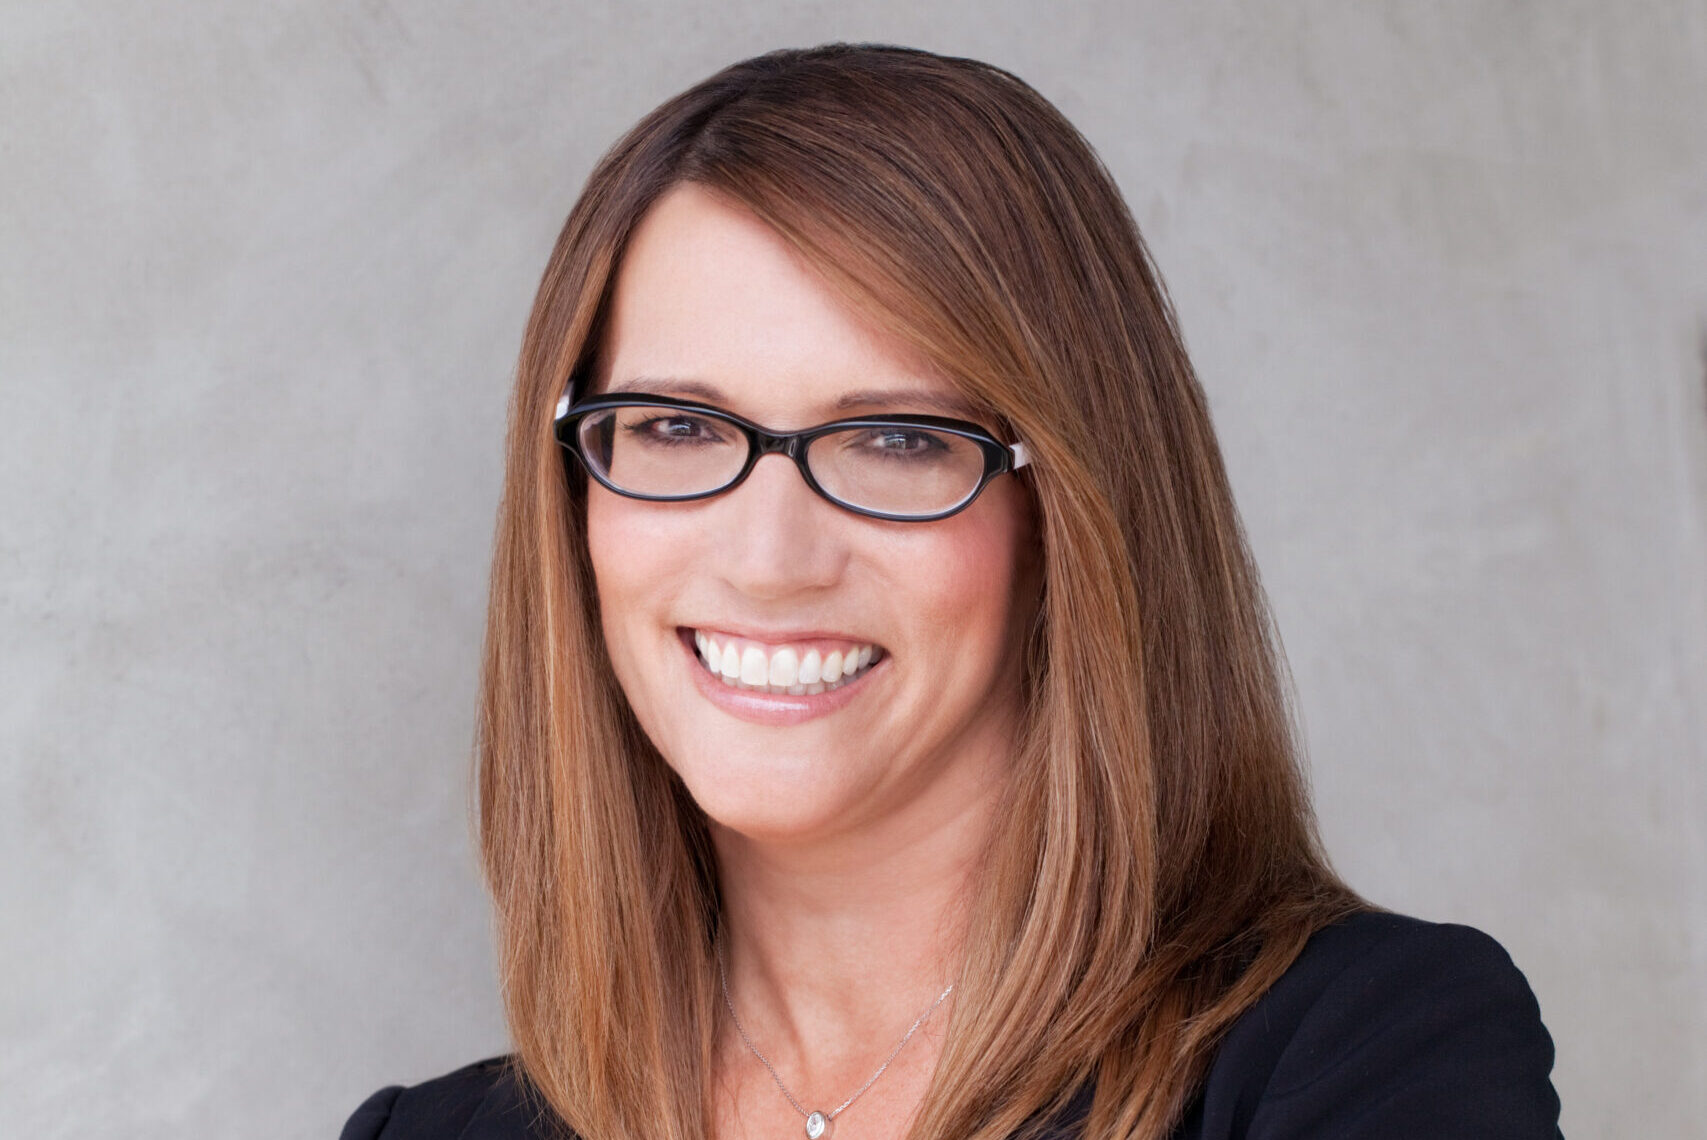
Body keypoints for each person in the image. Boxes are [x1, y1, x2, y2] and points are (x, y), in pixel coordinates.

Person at [341, 44, 1562, 1140]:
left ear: (1069, 513)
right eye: (675, 426)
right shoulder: (429, 1136)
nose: (769, 558)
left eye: (898, 441)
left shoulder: (1365, 1056)